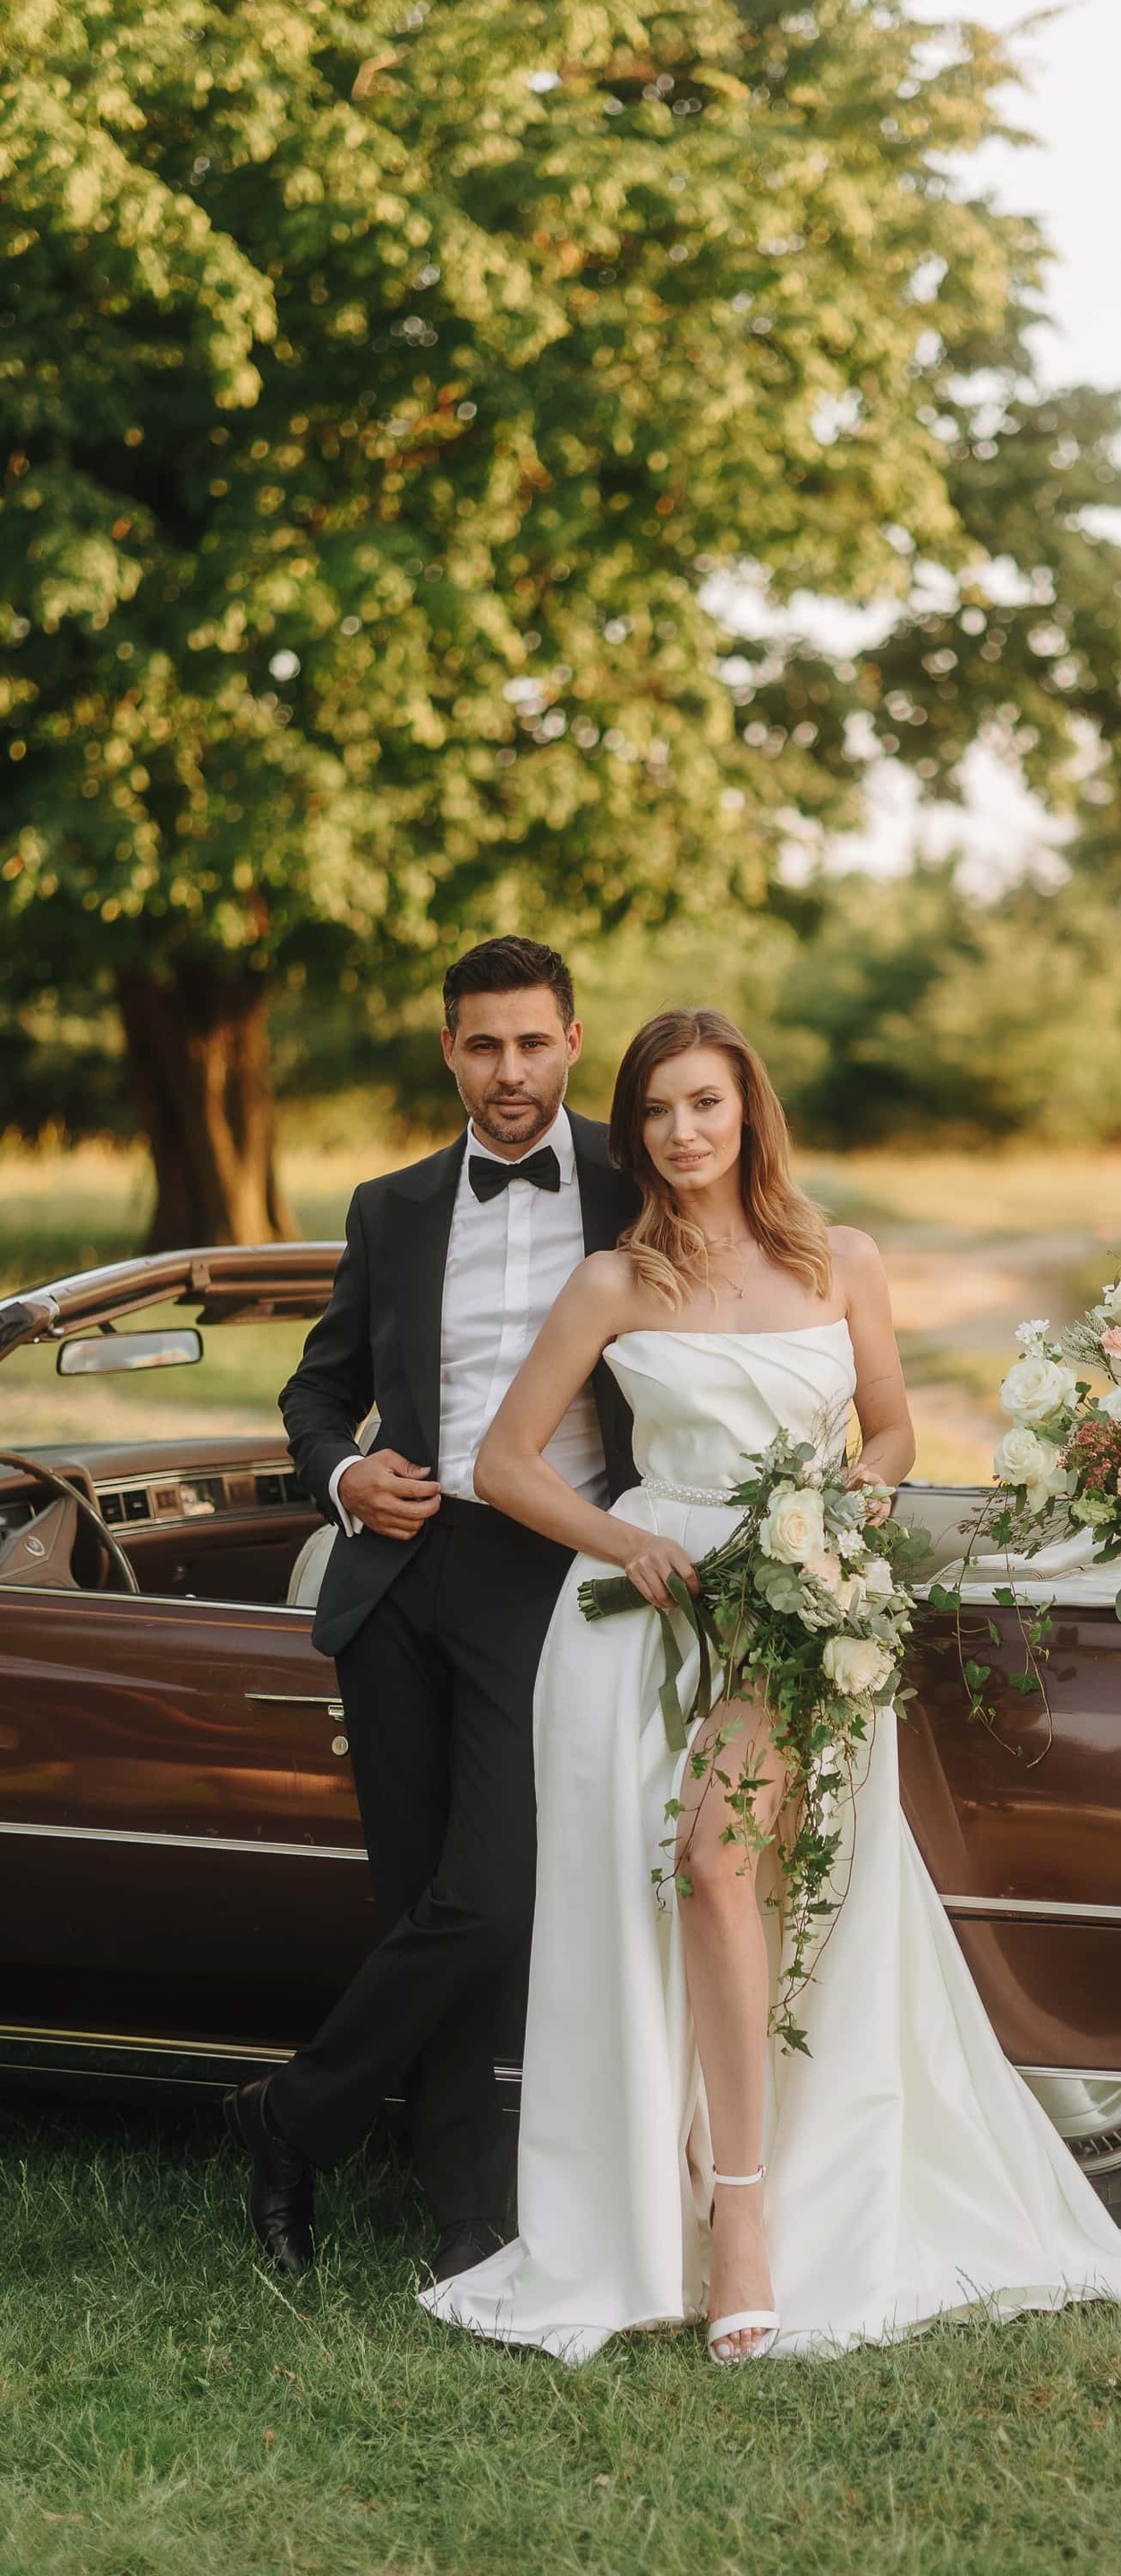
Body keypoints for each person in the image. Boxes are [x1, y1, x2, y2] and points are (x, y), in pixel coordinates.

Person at [423, 1007, 1121, 2365]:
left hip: (801, 1599)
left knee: (729, 1872)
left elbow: (891, 1428)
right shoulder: (612, 1282)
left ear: (749, 1111)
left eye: (706, 1103)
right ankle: (679, 2208)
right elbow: (506, 1463)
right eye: (657, 1111)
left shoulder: (843, 1260)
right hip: (645, 1623)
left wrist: (837, 1513)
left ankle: (750, 2212)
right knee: (672, 1901)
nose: (684, 1132)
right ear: (634, 1132)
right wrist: (629, 1540)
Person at [225, 936, 641, 2283]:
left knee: (493, 1896)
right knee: (424, 1899)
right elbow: (317, 1389)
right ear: (449, 1051)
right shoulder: (392, 1205)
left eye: (532, 1042)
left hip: (551, 1574)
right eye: (482, 1044)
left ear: (572, 1042)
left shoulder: (640, 1189)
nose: (508, 1071)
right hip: (400, 1577)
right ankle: (465, 2210)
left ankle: (291, 2118)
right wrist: (342, 1474)